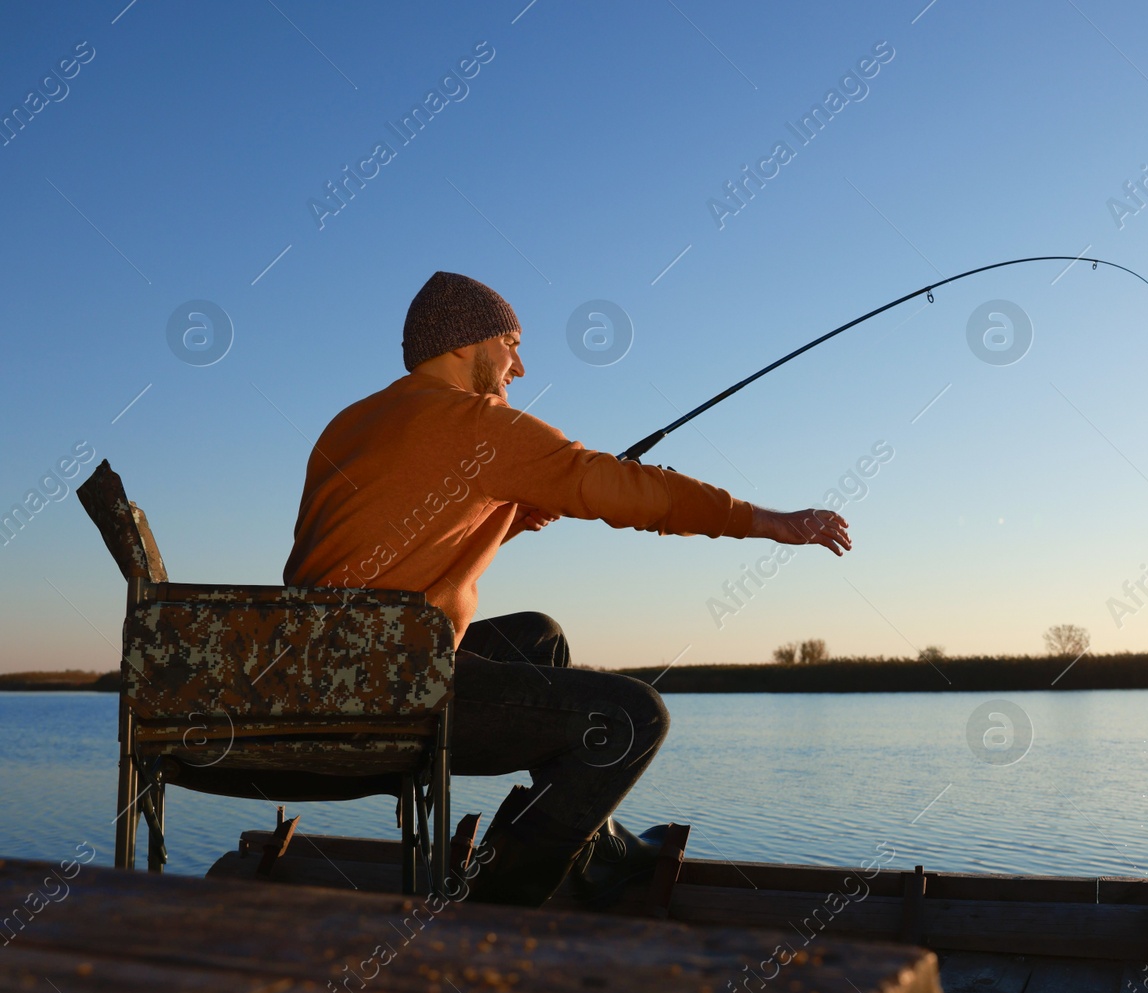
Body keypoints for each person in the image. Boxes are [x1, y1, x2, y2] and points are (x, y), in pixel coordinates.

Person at [284, 271, 850, 904]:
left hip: (315, 670)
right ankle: (500, 901)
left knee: (538, 637)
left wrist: (503, 520)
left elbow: (387, 555)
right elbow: (625, 489)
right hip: (385, 690)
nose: (519, 365)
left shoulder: (351, 424)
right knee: (633, 716)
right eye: (511, 342)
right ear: (465, 345)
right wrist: (768, 522)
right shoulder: (479, 423)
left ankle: (587, 838)